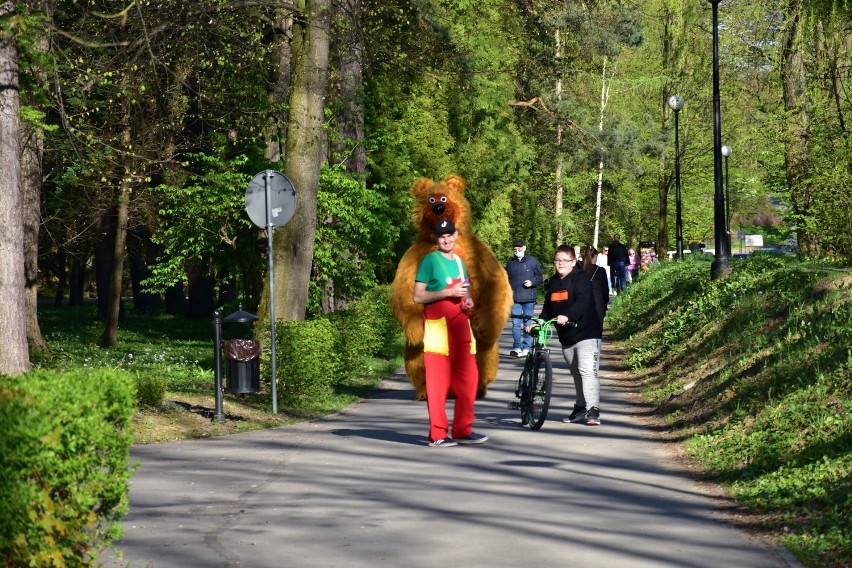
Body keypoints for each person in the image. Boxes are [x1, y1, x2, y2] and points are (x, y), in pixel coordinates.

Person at [413, 219, 489, 447]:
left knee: (469, 379)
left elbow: (465, 292)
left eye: (449, 235)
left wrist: (468, 302)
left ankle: (463, 429)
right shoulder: (429, 261)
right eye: (441, 236)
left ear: (456, 235)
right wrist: (447, 292)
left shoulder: (459, 261)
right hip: (438, 330)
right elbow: (418, 296)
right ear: (437, 239)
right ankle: (437, 434)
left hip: (461, 329)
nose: (446, 239)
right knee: (438, 383)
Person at [527, 244, 603, 426]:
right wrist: (539, 321)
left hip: (587, 332)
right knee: (576, 373)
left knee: (587, 371)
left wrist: (568, 316)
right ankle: (580, 406)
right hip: (567, 336)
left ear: (573, 261)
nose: (560, 264)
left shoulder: (581, 279)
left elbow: (584, 302)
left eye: (565, 261)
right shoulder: (553, 282)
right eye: (557, 260)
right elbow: (548, 306)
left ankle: (593, 410)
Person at [505, 238, 543, 358]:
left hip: (529, 299)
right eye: (515, 249)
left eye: (519, 248)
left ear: (524, 248)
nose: (517, 250)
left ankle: (526, 348)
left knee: (528, 324)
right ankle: (517, 348)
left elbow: (539, 277)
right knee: (516, 324)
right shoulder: (510, 262)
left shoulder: (532, 261)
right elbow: (505, 278)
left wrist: (532, 282)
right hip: (514, 299)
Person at [583, 246, 609, 326]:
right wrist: (604, 305)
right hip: (598, 305)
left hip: (583, 306)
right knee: (596, 334)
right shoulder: (601, 271)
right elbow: (605, 290)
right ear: (595, 256)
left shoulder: (580, 270)